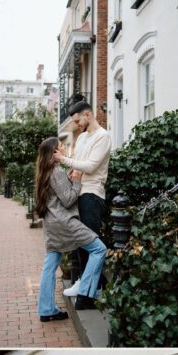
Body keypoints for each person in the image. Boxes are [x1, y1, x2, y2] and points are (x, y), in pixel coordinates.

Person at [34, 138, 106, 321]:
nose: (65, 148)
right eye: (61, 146)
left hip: (51, 225)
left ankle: (46, 310)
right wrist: (77, 181)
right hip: (65, 223)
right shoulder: (56, 171)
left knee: (50, 264)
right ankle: (85, 292)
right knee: (99, 249)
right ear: (54, 152)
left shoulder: (44, 172)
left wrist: (69, 177)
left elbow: (56, 195)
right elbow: (67, 199)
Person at [60, 99, 111, 294]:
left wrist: (64, 160)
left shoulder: (103, 136)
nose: (76, 125)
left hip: (92, 194)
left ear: (87, 115)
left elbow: (90, 166)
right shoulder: (81, 138)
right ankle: (84, 281)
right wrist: (70, 168)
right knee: (79, 242)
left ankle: (93, 287)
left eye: (78, 120)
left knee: (90, 242)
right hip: (78, 193)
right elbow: (78, 165)